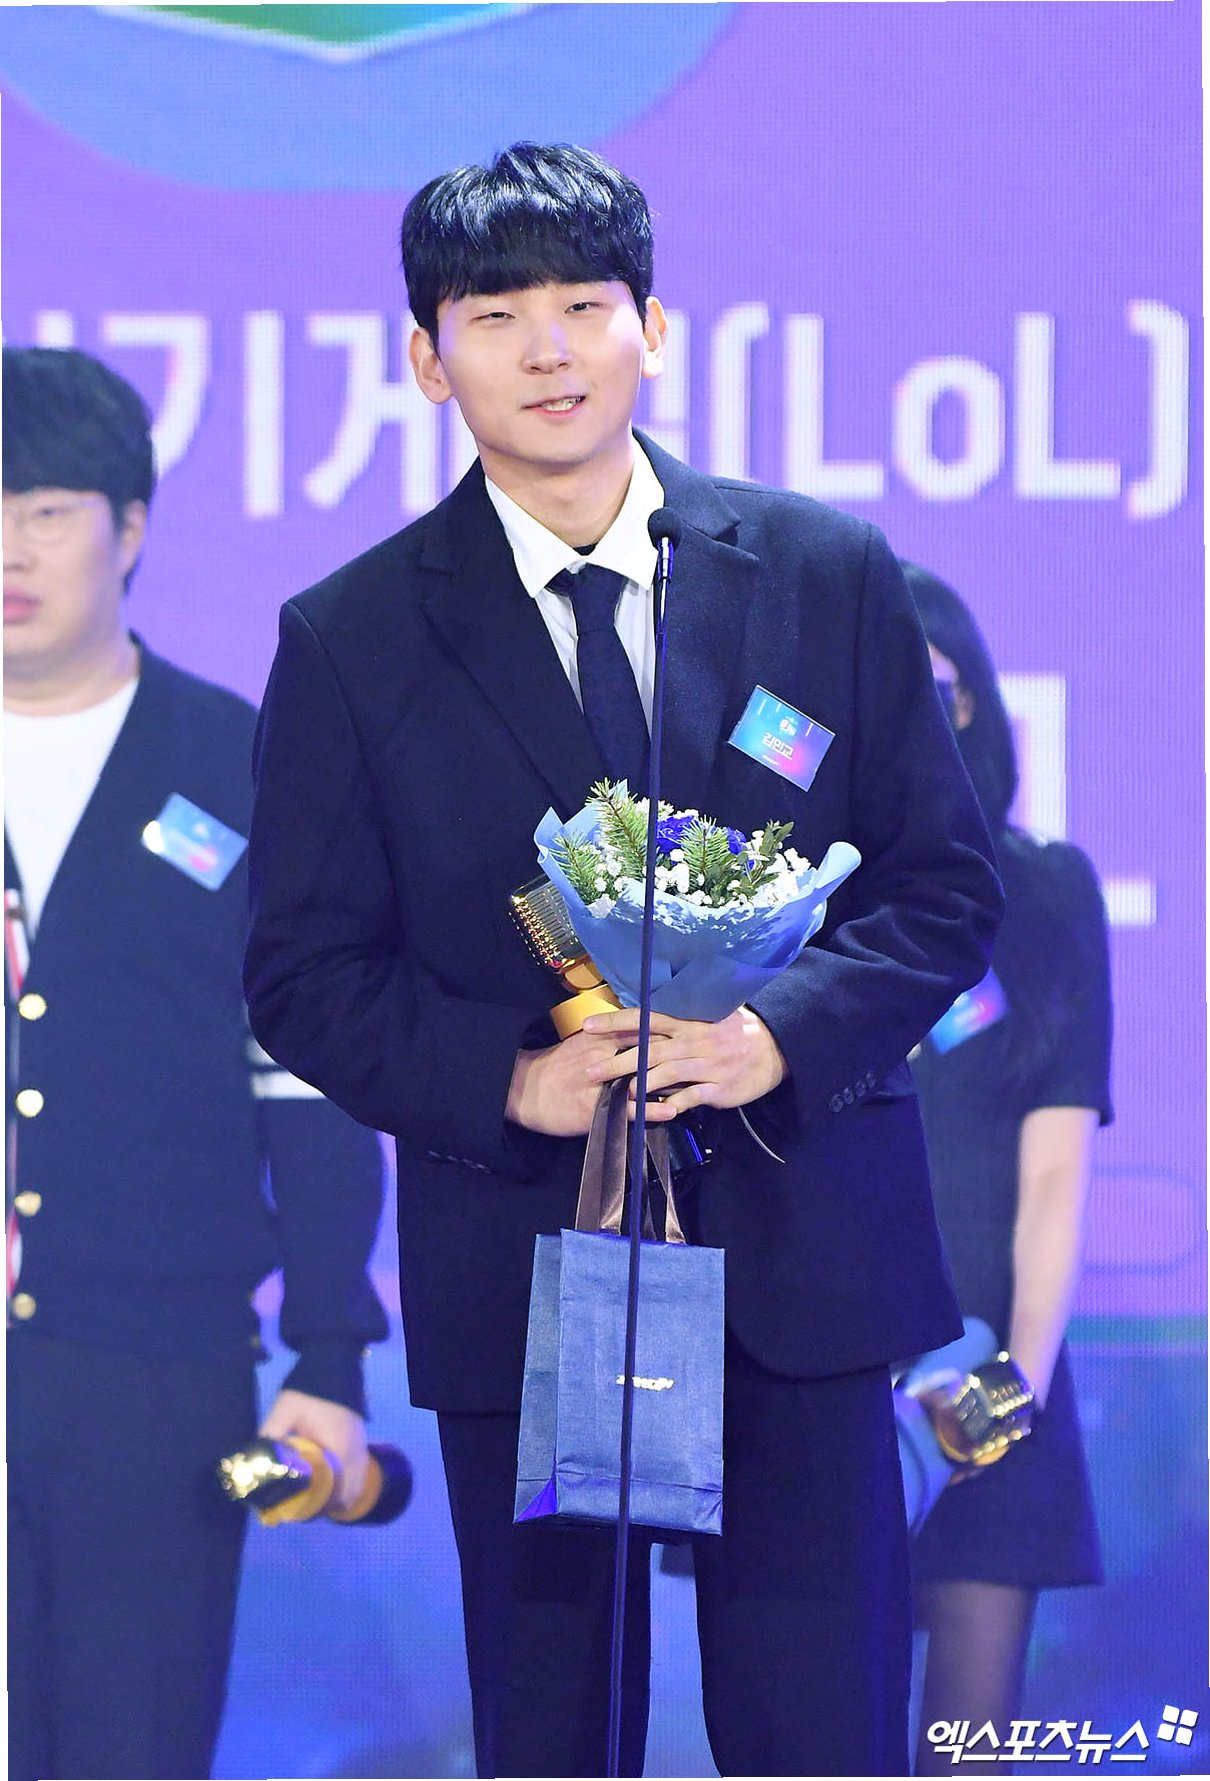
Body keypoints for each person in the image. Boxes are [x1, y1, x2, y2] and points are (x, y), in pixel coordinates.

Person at [244, 142, 1003, 1780]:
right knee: (553, 1733)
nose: (548, 350)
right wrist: (512, 1079)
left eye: (584, 306)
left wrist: (776, 1036)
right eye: (494, 316)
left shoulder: (824, 574)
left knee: (819, 1731)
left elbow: (943, 889)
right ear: (425, 359)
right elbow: (303, 970)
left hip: (802, 1250)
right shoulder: (351, 636)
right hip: (529, 1267)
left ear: (652, 328)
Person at [3, 345, 389, 1781]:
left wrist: (330, 1352)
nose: (9, 550)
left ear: (130, 527)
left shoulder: (233, 759)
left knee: (135, 1740)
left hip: (156, 1372)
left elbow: (312, 1088)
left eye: (44, 509)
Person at [900, 563, 1112, 1775]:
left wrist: (1012, 1385)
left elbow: (1054, 1172)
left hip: (992, 1362)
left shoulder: (1043, 888)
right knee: (811, 1729)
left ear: (973, 700)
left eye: (935, 690)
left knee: (968, 1745)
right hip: (825, 1365)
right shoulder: (793, 891)